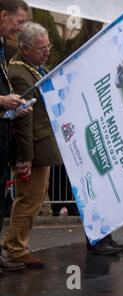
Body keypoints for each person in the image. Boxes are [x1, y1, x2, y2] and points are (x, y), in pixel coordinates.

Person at [1, 22, 61, 268]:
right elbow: (25, 120)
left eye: (48, 46)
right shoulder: (18, 72)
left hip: (40, 146)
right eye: (41, 48)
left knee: (33, 201)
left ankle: (16, 245)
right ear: (25, 48)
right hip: (33, 149)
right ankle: (16, 248)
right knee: (28, 201)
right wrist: (25, 158)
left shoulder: (33, 68)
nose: (47, 52)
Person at [0, 0, 29, 273]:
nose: (20, 29)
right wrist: (2, 100)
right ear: (3, 15)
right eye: (18, 22)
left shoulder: (3, 47)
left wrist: (13, 109)